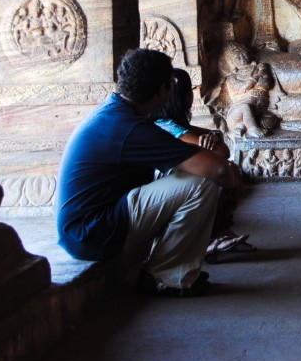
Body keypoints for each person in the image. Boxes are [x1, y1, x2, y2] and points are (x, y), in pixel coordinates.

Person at [56, 49, 241, 297]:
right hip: (93, 233)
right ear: (163, 90)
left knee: (187, 175)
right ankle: (166, 276)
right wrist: (231, 182)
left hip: (89, 227)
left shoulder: (117, 114)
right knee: (201, 182)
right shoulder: (129, 127)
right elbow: (216, 167)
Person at [155, 68, 256, 261]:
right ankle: (215, 236)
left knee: (226, 171)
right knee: (224, 173)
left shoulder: (177, 124)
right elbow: (221, 152)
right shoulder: (166, 125)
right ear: (181, 97)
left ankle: (220, 234)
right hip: (168, 186)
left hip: (173, 185)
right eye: (189, 92)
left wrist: (214, 136)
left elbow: (219, 144)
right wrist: (214, 139)